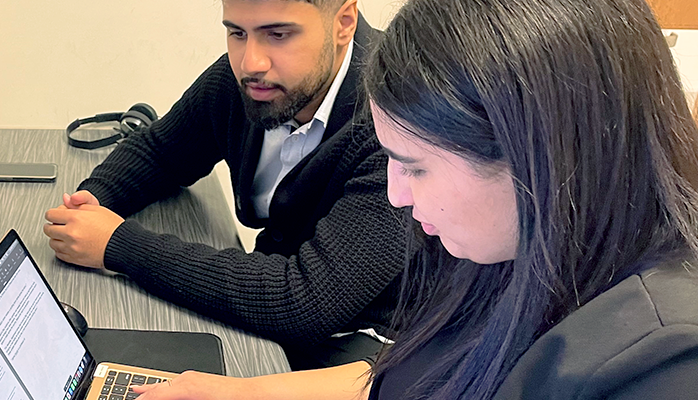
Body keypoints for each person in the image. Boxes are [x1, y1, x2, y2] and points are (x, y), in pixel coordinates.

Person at [124, 0, 698, 398]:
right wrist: (232, 393)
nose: (397, 195)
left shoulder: (663, 365)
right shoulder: (505, 261)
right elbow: (404, 380)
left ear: (543, 159)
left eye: (414, 167)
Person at [43, 0, 406, 370]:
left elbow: (302, 302)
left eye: (277, 34)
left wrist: (117, 244)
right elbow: (163, 150)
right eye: (236, 32)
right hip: (281, 315)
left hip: (373, 348)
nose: (251, 62)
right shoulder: (253, 82)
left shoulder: (401, 122)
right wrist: (93, 200)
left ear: (344, 22)